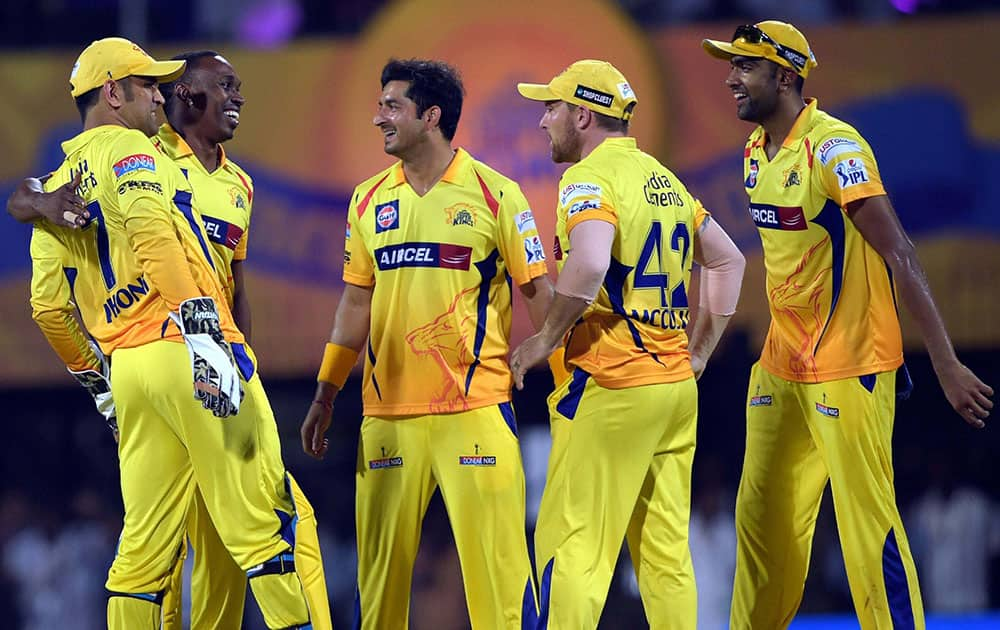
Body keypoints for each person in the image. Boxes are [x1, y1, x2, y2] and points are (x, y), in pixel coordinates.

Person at [12, 48, 333, 630]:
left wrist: (100, 384)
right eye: (147, 87)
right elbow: (155, 235)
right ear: (114, 94)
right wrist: (204, 335)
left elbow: (48, 307)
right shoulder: (135, 149)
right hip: (185, 345)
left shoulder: (59, 186)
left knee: (143, 554)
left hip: (129, 370)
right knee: (269, 518)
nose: (159, 96)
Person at [701, 20, 994, 629]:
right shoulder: (757, 152)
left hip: (849, 365)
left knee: (866, 528)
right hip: (781, 367)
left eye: (745, 67)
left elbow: (902, 254)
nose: (730, 77)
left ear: (785, 76)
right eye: (731, 64)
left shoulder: (835, 149)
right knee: (760, 521)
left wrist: (944, 362)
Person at [300, 58, 554, 629]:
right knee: (380, 589)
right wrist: (325, 392)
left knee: (502, 580)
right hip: (388, 416)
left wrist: (565, 374)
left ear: (431, 116)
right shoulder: (366, 200)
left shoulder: (498, 195)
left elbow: (539, 291)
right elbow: (355, 304)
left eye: (392, 106)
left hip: (476, 410)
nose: (378, 117)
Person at [512, 59, 746, 629]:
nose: (543, 121)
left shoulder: (588, 179)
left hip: (612, 385)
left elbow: (591, 261)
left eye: (552, 107)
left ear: (583, 114)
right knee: (666, 560)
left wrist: (544, 338)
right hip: (672, 390)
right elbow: (729, 259)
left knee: (571, 550)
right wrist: (699, 352)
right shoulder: (664, 179)